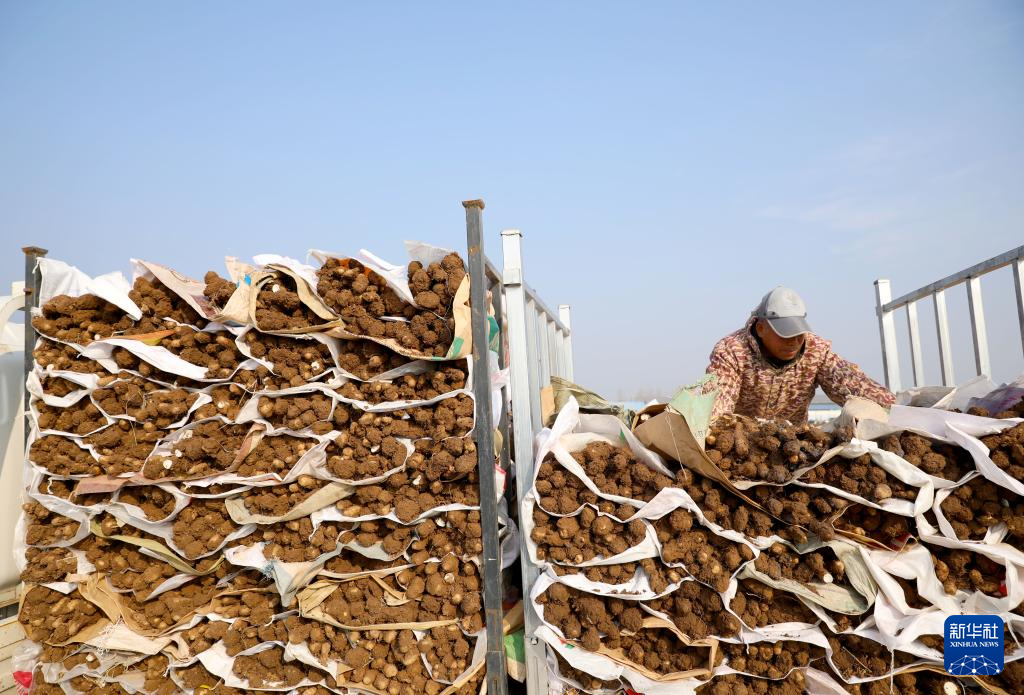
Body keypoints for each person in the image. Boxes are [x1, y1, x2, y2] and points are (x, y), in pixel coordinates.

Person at [706, 286, 894, 423]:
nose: (794, 342)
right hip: (741, 447)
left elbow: (849, 382)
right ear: (761, 328)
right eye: (785, 334)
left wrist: (898, 408)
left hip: (793, 447)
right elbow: (718, 403)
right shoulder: (732, 352)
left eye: (798, 335)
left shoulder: (815, 351)